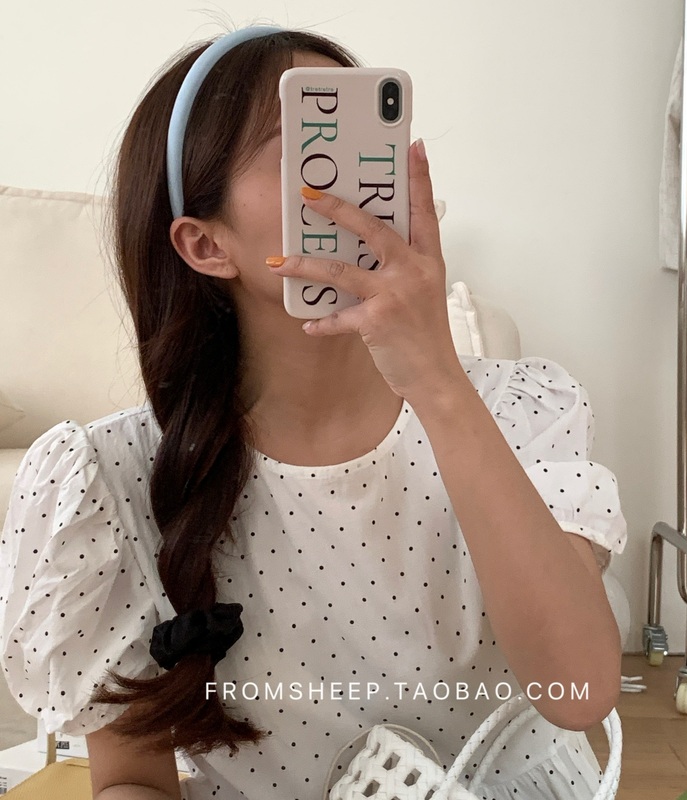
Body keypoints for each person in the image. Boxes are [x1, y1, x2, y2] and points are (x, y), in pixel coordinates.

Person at [0, 24, 627, 800]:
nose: (359, 182)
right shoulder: (110, 482)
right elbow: (133, 780)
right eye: (302, 147)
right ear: (205, 245)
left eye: (369, 140)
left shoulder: (520, 409)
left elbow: (579, 692)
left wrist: (437, 381)